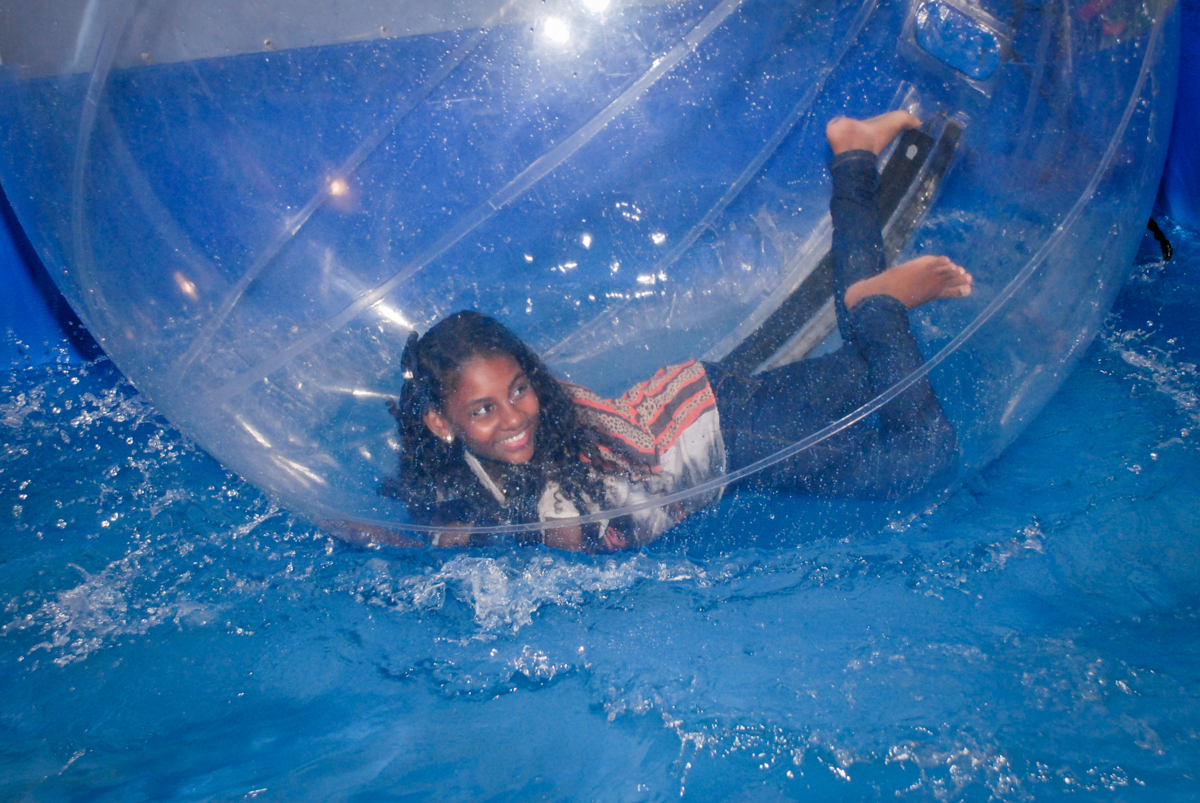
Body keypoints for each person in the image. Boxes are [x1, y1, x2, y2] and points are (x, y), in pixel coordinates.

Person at [379, 111, 973, 552]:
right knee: (873, 370)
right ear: (439, 422)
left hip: (724, 437)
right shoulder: (484, 474)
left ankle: (881, 304)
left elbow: (548, 529)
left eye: (515, 391)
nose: (513, 417)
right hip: (695, 403)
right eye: (483, 410)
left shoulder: (536, 485)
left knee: (923, 459)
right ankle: (854, 154)